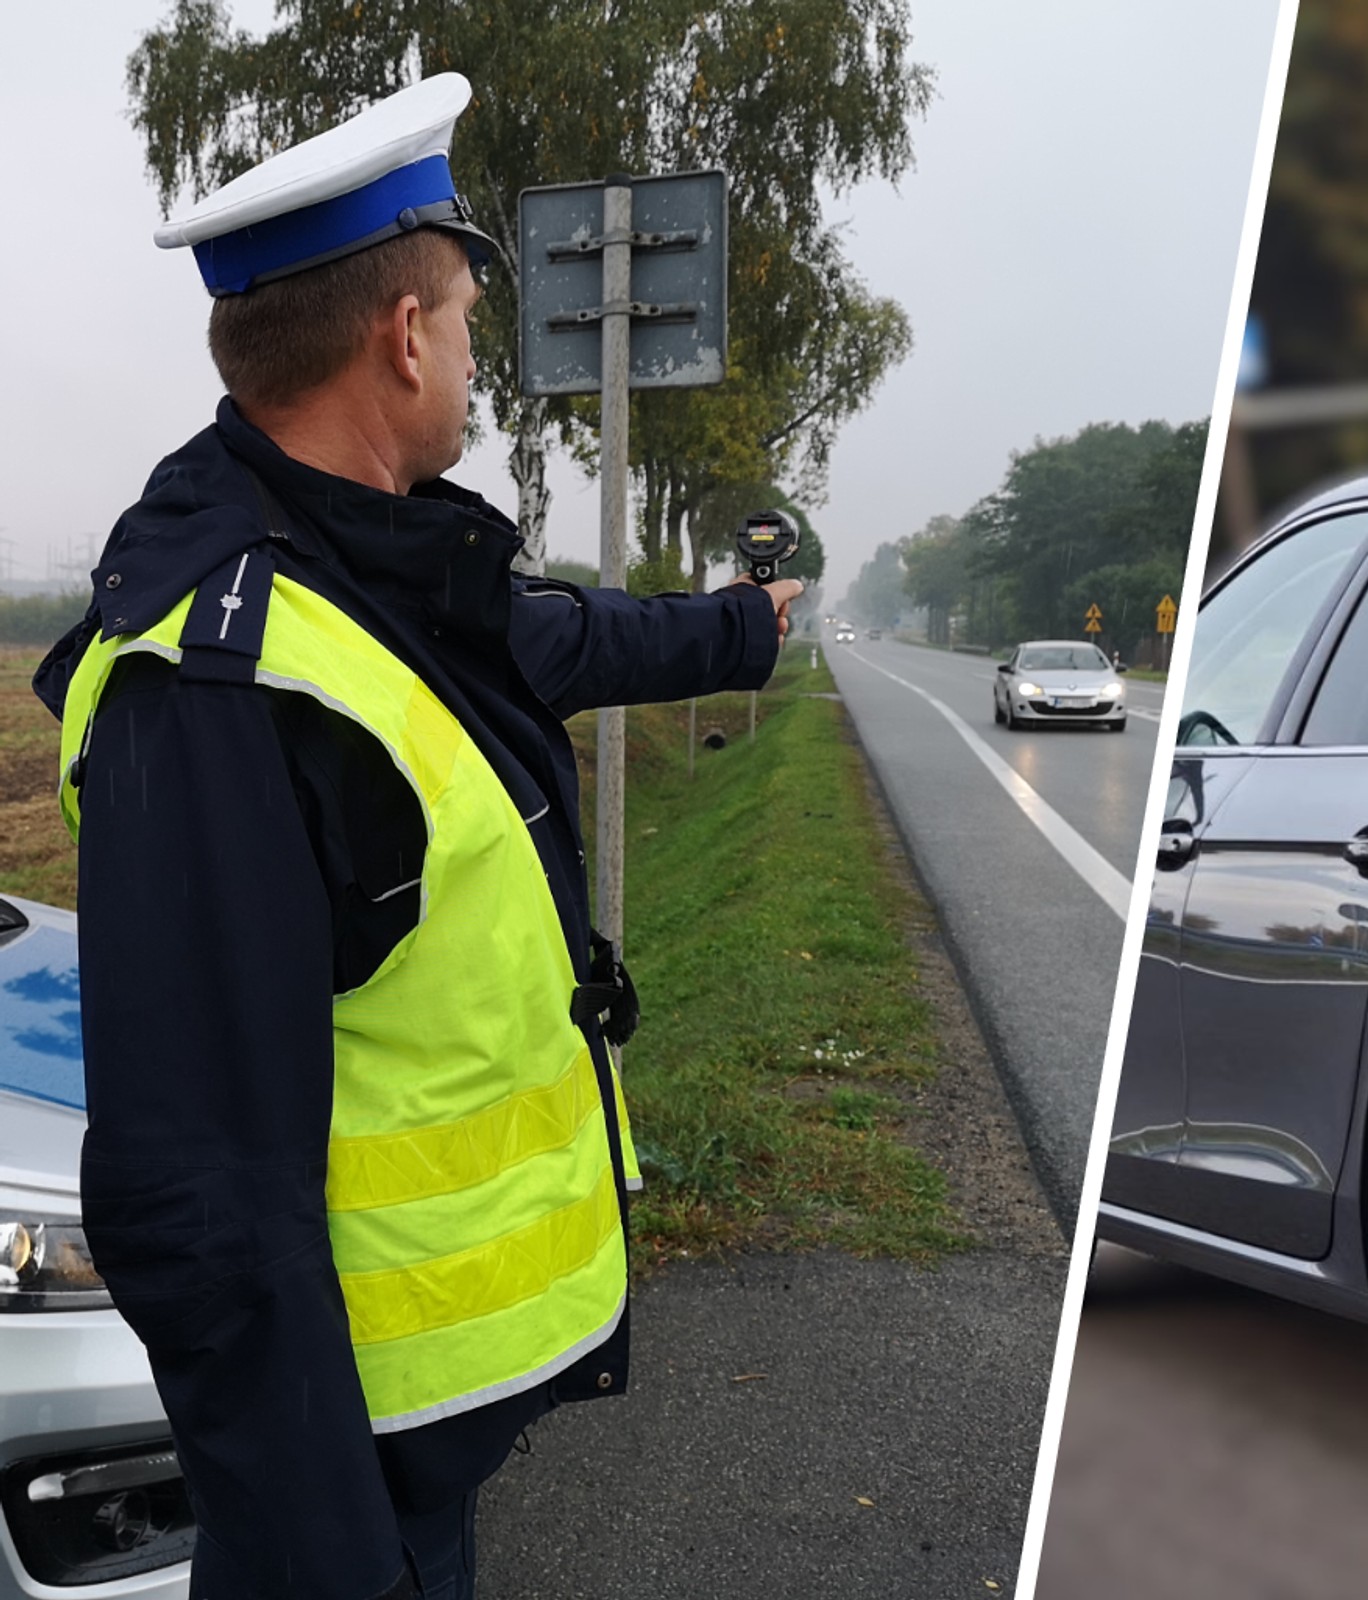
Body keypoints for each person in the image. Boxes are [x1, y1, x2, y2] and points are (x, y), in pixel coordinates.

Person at [33, 75, 801, 1600]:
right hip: (342, 1494)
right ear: (401, 336)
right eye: (460, 323)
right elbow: (198, 1212)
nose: (470, 363)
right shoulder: (217, 683)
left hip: (421, 1436)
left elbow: (566, 642)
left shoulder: (376, 571)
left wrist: (739, 629)